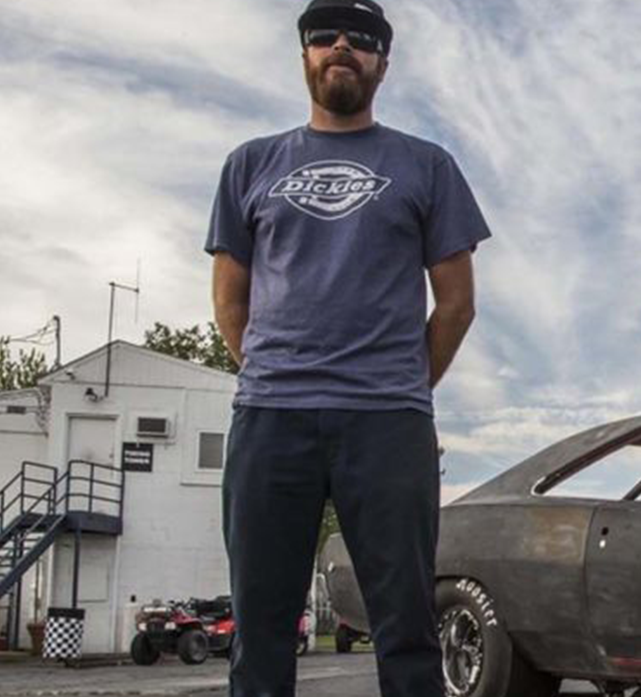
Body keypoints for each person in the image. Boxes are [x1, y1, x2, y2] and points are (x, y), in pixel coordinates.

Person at [204, 1, 489, 694]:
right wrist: (274, 370)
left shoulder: (427, 165)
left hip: (387, 421)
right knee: (261, 626)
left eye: (361, 39)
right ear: (303, 54)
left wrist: (402, 384)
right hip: (272, 418)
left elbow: (456, 301)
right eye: (323, 34)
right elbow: (228, 300)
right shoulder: (250, 164)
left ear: (382, 65)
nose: (341, 46)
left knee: (407, 627)